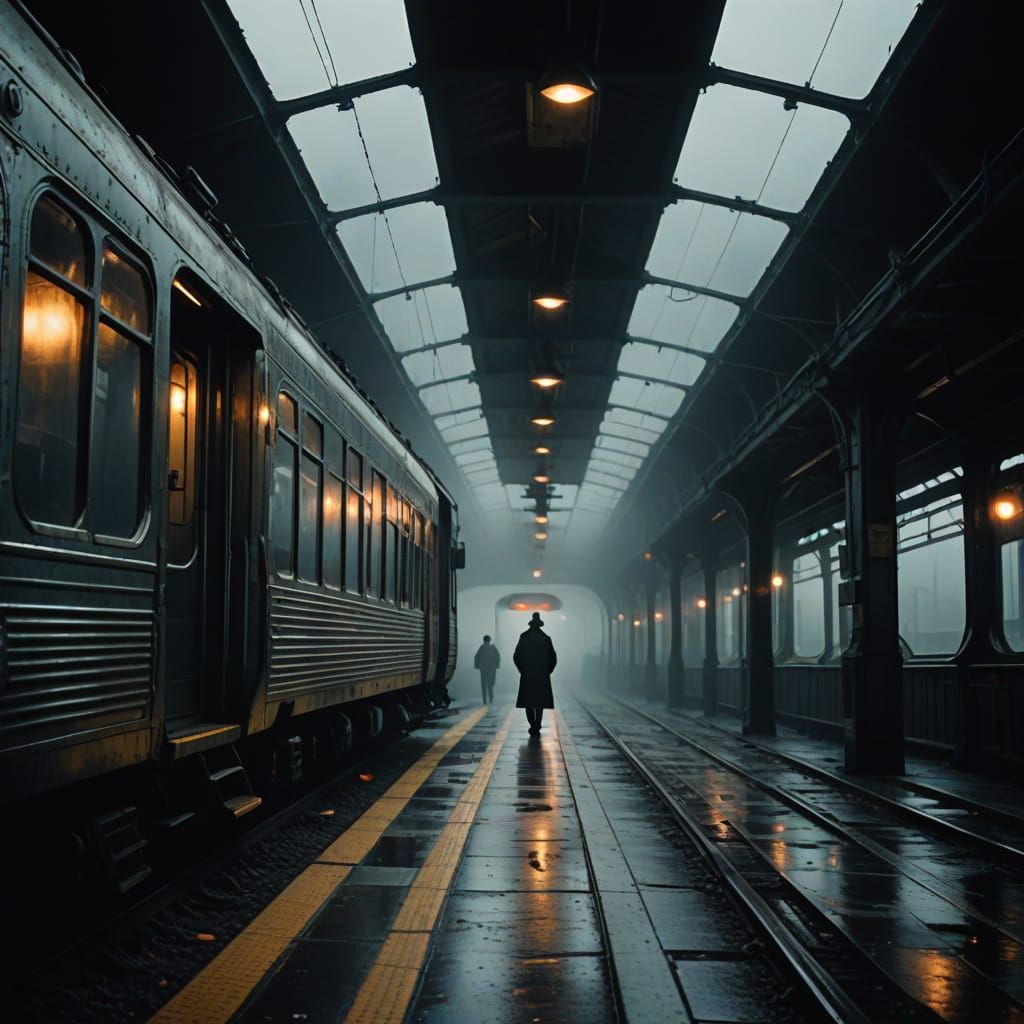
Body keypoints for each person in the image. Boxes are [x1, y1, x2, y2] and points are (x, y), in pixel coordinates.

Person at [513, 612, 557, 734]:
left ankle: (532, 725)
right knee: (539, 702)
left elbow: (516, 656)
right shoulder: (546, 639)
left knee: (528, 702)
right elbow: (553, 657)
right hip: (542, 675)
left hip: (527, 674)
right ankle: (537, 724)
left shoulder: (524, 637)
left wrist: (521, 669)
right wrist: (548, 670)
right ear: (540, 625)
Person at [473, 635, 500, 704]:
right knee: (490, 684)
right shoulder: (493, 647)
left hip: (483, 668)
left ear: (484, 640)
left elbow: (477, 656)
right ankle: (491, 698)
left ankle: (484, 700)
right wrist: (497, 665)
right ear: (489, 640)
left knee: (483, 684)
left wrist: (476, 665)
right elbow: (498, 656)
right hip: (492, 668)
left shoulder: (482, 647)